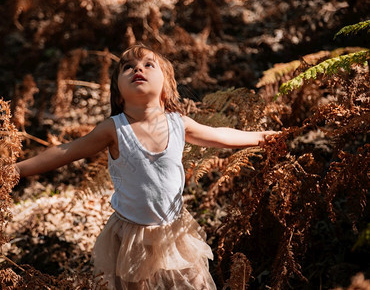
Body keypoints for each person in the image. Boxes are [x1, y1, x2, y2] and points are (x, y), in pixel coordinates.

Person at [15, 44, 277, 289]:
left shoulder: (179, 123)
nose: (137, 69)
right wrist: (18, 170)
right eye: (127, 67)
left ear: (167, 87)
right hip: (131, 238)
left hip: (175, 233)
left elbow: (222, 135)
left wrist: (264, 137)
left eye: (148, 65)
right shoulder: (115, 129)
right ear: (117, 94)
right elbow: (67, 151)